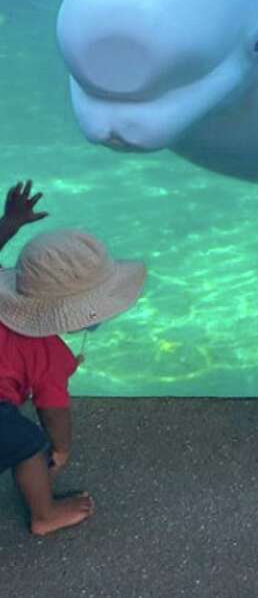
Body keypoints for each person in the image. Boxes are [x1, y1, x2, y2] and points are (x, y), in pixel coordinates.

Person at [0, 184, 146, 535]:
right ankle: (45, 514)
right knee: (28, 443)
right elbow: (53, 411)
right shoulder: (48, 355)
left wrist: (10, 222)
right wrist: (62, 449)